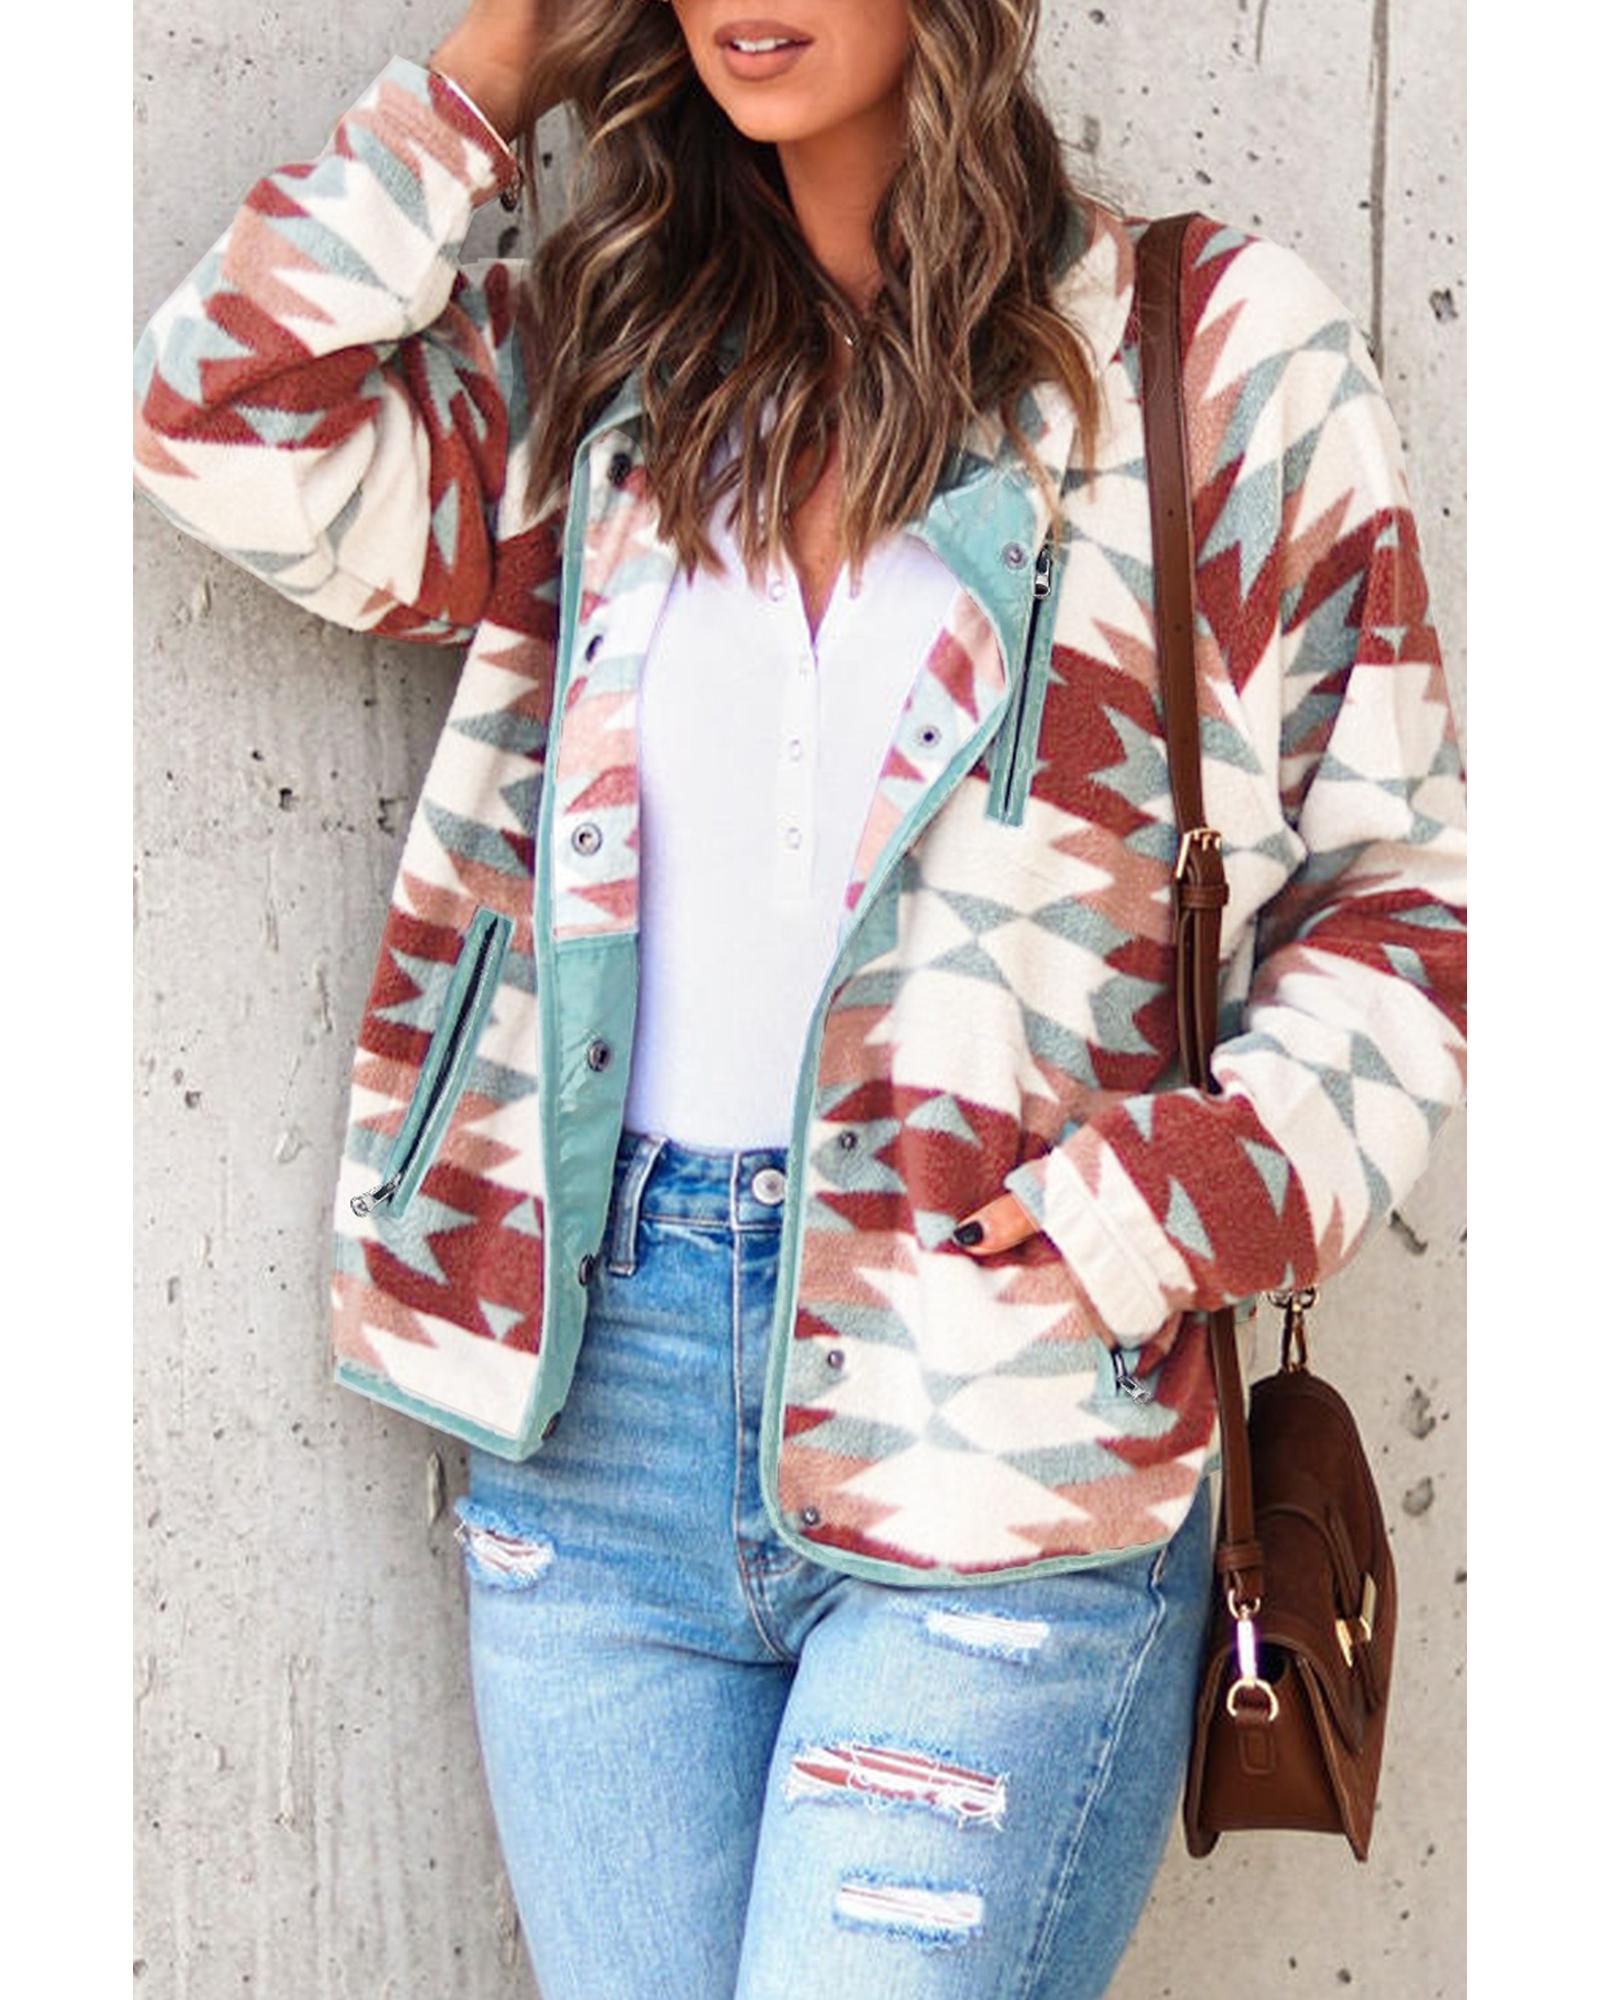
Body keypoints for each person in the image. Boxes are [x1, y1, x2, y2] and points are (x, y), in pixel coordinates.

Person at [131, 3, 1468, 1994]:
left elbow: (1404, 898)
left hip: (997, 1415)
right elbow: (219, 417)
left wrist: (1155, 1210)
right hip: (594, 1418)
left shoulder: (1211, 358)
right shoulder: (601, 368)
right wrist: (492, 73)